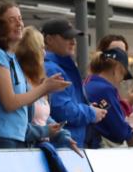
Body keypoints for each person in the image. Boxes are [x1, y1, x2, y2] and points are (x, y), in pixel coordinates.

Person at [0, 1, 69, 148]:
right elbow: (10, 102)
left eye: (20, 18)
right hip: (1, 136)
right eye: (11, 20)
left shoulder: (10, 56)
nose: (19, 24)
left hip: (16, 136)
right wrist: (45, 88)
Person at [42, 19, 106, 148]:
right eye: (67, 37)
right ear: (49, 40)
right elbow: (61, 110)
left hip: (67, 143)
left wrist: (88, 107)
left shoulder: (61, 66)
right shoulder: (52, 68)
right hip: (62, 145)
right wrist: (91, 112)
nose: (73, 42)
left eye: (74, 37)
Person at [15, 26, 81, 151]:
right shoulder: (20, 83)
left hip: (41, 149)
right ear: (31, 52)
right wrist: (46, 131)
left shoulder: (40, 80)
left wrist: (63, 135)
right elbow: (18, 126)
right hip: (26, 150)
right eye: (41, 48)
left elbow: (44, 118)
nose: (44, 53)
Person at [84, 47, 133, 148]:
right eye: (123, 74)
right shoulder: (106, 90)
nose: (122, 80)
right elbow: (120, 133)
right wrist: (132, 123)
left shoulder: (88, 84)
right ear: (117, 69)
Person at [96, 34, 133, 112]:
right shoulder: (100, 86)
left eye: (123, 52)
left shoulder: (125, 82)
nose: (120, 56)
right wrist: (128, 103)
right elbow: (113, 117)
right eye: (115, 52)